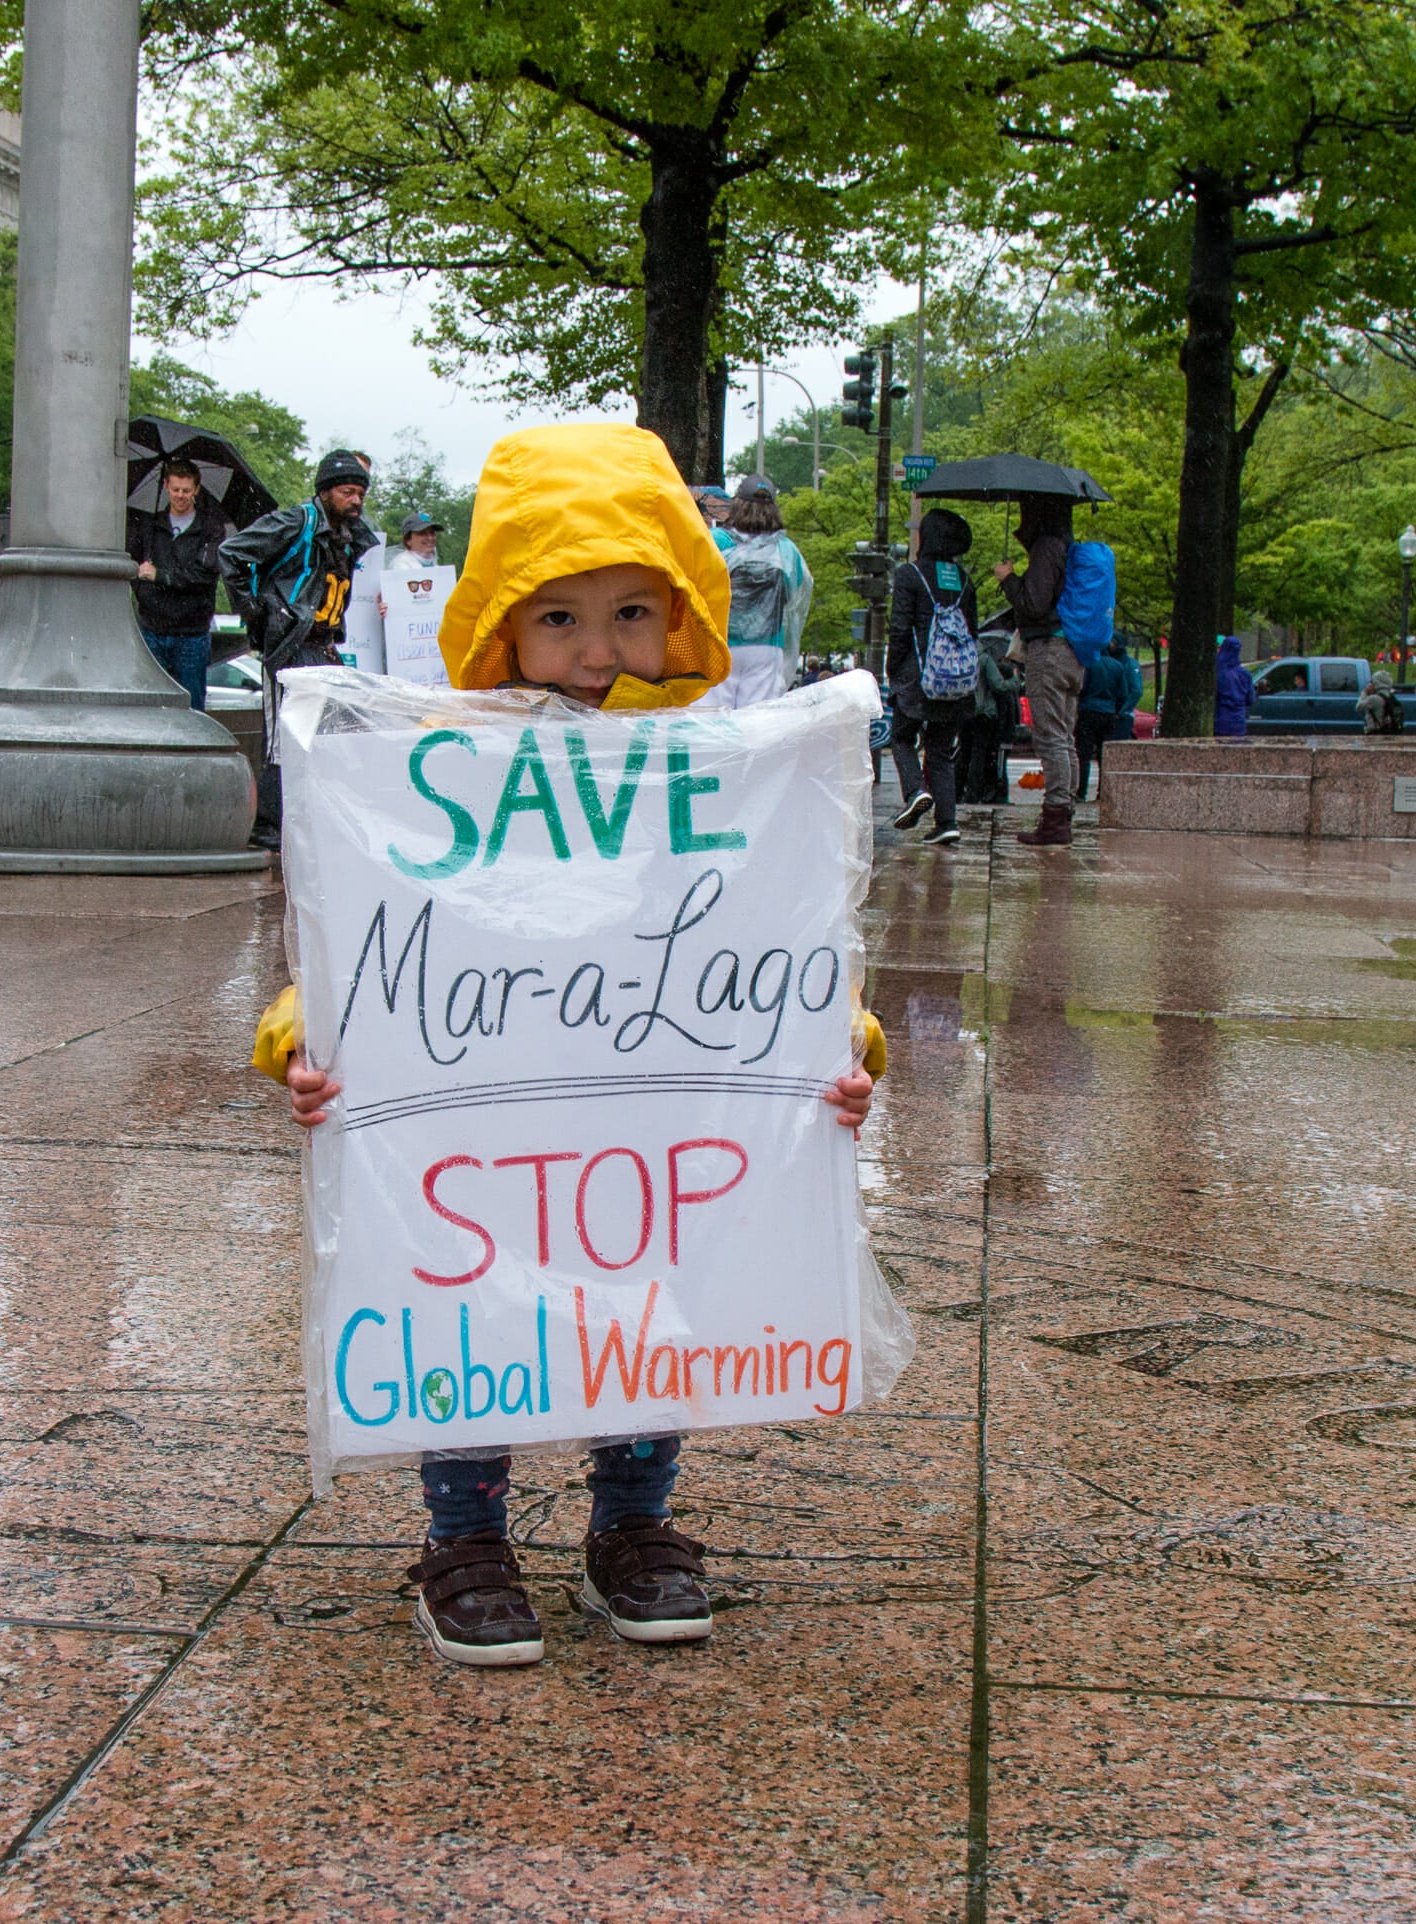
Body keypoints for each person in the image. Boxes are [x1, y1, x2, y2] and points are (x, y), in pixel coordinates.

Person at [249, 422, 887, 1668]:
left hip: (649, 1128)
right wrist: (304, 1046)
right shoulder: (449, 772)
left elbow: (769, 954)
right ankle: (463, 1535)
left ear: (685, 615)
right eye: (559, 619)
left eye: (633, 612)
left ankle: (633, 1524)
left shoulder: (718, 776)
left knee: (653, 1299)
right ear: (501, 627)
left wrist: (837, 1049)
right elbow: (366, 960)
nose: (599, 652)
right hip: (483, 1127)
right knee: (472, 1306)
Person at [219, 449, 381, 849]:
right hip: (290, 649)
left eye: (360, 493)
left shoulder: (349, 536)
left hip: (323, 647)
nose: (356, 500)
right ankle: (268, 826)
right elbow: (232, 553)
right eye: (347, 491)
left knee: (332, 733)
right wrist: (258, 612)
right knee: (283, 739)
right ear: (326, 491)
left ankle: (315, 815)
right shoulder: (293, 522)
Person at [886, 508, 979, 845]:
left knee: (900, 736)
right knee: (940, 750)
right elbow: (974, 631)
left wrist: (893, 670)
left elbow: (899, 629)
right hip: (955, 680)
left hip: (917, 674)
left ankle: (914, 791)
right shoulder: (965, 581)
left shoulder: (910, 575)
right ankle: (947, 821)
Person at [993, 496, 1078, 847]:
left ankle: (1055, 819)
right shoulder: (1067, 547)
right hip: (1073, 651)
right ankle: (1063, 812)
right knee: (1065, 736)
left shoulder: (1046, 549)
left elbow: (1034, 603)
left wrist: (1008, 578)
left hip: (1049, 651)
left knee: (1050, 737)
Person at [126, 458, 228, 712]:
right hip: (152, 628)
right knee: (150, 706)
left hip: (191, 633)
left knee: (191, 707)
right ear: (165, 486)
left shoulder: (211, 529)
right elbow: (132, 567)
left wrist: (160, 576)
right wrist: (145, 591)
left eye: (186, 490)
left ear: (196, 489)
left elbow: (204, 576)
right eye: (175, 490)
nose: (180, 496)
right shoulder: (148, 526)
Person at [705, 474, 812, 708]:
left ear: (738, 504)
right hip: (767, 647)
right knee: (757, 723)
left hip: (718, 644)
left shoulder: (716, 541)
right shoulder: (786, 550)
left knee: (711, 722)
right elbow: (796, 594)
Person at [958, 624, 1021, 804]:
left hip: (963, 711)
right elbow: (999, 686)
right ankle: (974, 793)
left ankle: (956, 790)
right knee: (979, 753)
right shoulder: (984, 659)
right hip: (984, 712)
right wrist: (1015, 681)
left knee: (964, 752)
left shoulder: (960, 657)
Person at [1073, 643, 1126, 801]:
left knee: (1084, 755)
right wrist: (1116, 709)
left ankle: (1081, 792)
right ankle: (1103, 792)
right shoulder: (1118, 666)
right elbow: (1123, 693)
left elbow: (1082, 687)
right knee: (1105, 756)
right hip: (1108, 713)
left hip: (1088, 711)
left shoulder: (1089, 664)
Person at [1215, 635, 1255, 737]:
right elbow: (1250, 699)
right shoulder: (1245, 674)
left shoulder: (1217, 673)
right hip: (1239, 723)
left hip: (1220, 722)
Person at [1358, 668, 1404, 734]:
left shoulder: (1373, 698)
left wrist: (1365, 693)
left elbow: (1359, 707)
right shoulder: (1391, 697)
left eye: (1372, 682)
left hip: (1375, 733)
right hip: (1388, 732)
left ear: (1376, 683)